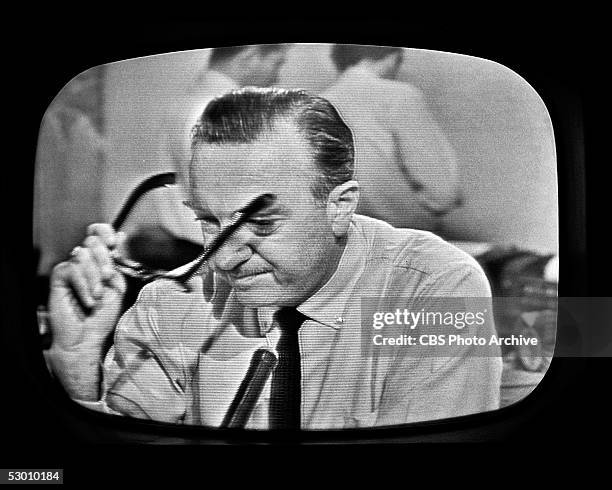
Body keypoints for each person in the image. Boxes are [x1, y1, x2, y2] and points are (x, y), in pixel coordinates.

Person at [45, 87, 502, 429]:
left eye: (261, 223)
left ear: (339, 207)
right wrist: (77, 362)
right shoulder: (173, 301)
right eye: (209, 220)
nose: (224, 258)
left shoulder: (435, 290)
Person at [122, 44, 291, 263]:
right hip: (205, 252)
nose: (276, 78)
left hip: (189, 241)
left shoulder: (191, 98)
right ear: (250, 56)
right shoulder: (220, 110)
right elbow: (236, 195)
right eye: (276, 63)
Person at [323, 45, 462, 232]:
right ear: (392, 57)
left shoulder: (319, 102)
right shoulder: (402, 97)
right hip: (401, 235)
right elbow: (442, 194)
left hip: (340, 236)